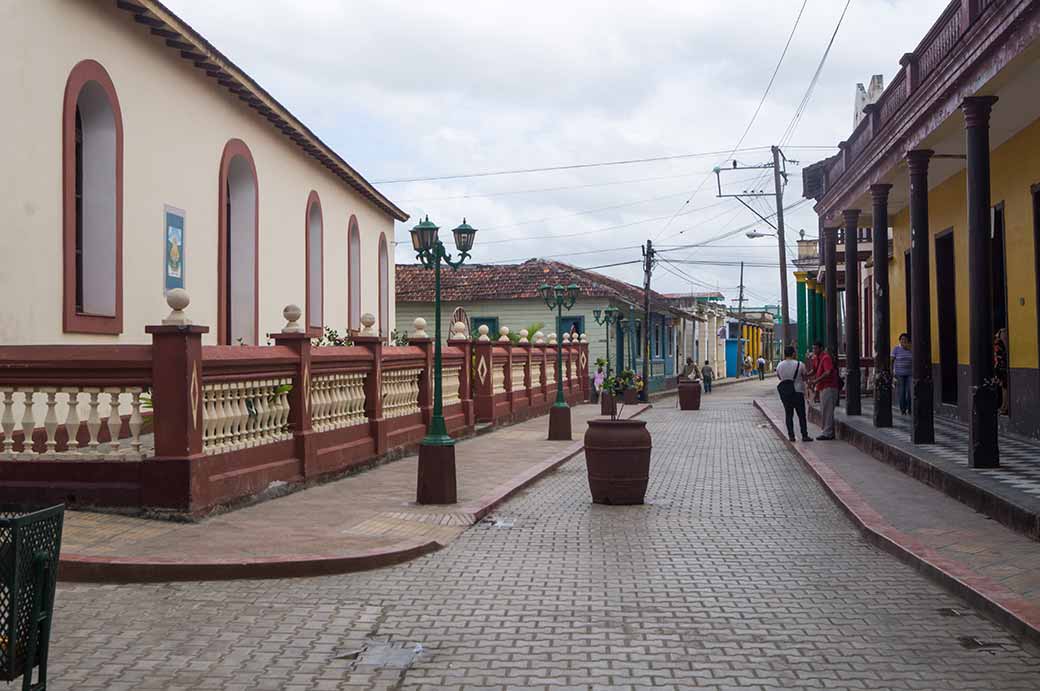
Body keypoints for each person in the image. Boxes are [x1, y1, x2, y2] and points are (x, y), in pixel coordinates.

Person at [776, 345, 813, 442]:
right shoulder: (800, 364)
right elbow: (804, 376)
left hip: (786, 394)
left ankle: (791, 436)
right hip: (798, 392)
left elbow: (779, 377)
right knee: (801, 415)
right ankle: (804, 435)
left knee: (788, 414)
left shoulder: (779, 365)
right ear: (793, 354)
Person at [811, 341, 839, 440]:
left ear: (821, 348)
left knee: (828, 410)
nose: (814, 350)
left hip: (829, 387)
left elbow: (828, 372)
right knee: (824, 409)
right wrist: (806, 375)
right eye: (813, 348)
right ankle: (826, 431)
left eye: (815, 348)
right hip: (822, 387)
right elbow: (814, 370)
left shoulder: (826, 358)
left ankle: (828, 433)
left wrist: (816, 381)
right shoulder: (816, 359)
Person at [891, 333, 912, 415]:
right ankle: (903, 409)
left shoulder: (911, 349)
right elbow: (892, 361)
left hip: (910, 373)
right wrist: (892, 371)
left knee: (910, 392)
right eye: (902, 339)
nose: (903, 341)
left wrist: (909, 348)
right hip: (900, 374)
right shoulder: (896, 349)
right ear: (900, 341)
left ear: (908, 341)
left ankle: (910, 408)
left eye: (905, 339)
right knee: (902, 392)